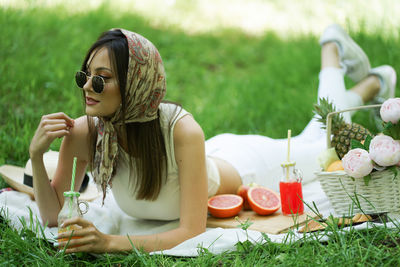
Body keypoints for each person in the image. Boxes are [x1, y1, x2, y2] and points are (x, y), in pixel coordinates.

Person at [29, 24, 396, 253]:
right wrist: (36, 153)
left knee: (321, 139)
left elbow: (191, 229)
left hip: (249, 167)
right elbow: (50, 216)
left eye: (101, 79)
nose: (88, 89)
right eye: (85, 76)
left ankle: (331, 51)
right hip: (210, 157)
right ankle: (373, 84)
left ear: (136, 85)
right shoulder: (84, 132)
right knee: (316, 133)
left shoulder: (181, 129)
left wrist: (110, 243)